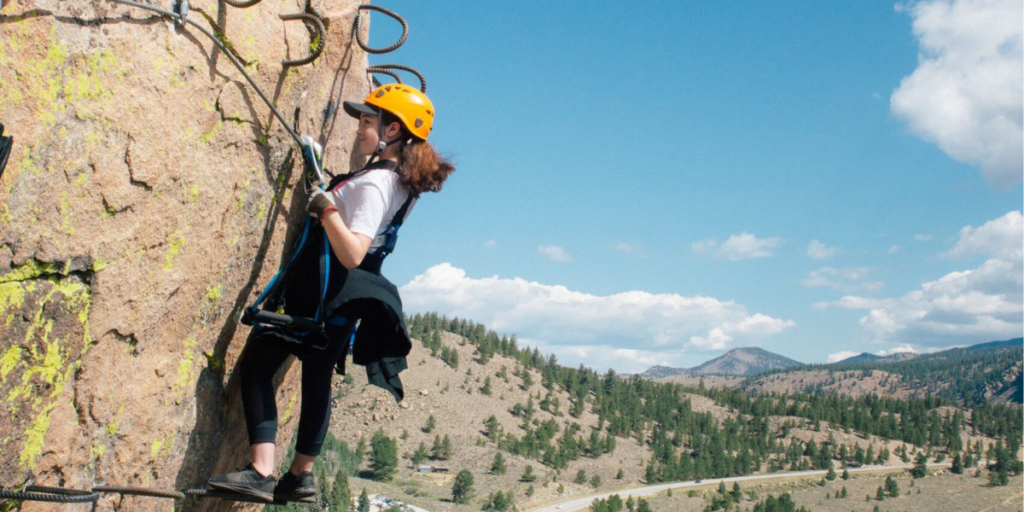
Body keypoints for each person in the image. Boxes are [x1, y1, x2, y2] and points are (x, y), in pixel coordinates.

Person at [207, 83, 454, 502]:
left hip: (322, 290)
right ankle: (300, 475)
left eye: (367, 121)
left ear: (392, 130)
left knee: (256, 366)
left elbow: (353, 250)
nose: (359, 129)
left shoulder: (377, 184)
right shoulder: (398, 181)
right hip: (346, 297)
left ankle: (262, 470)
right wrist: (319, 168)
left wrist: (324, 207)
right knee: (317, 373)